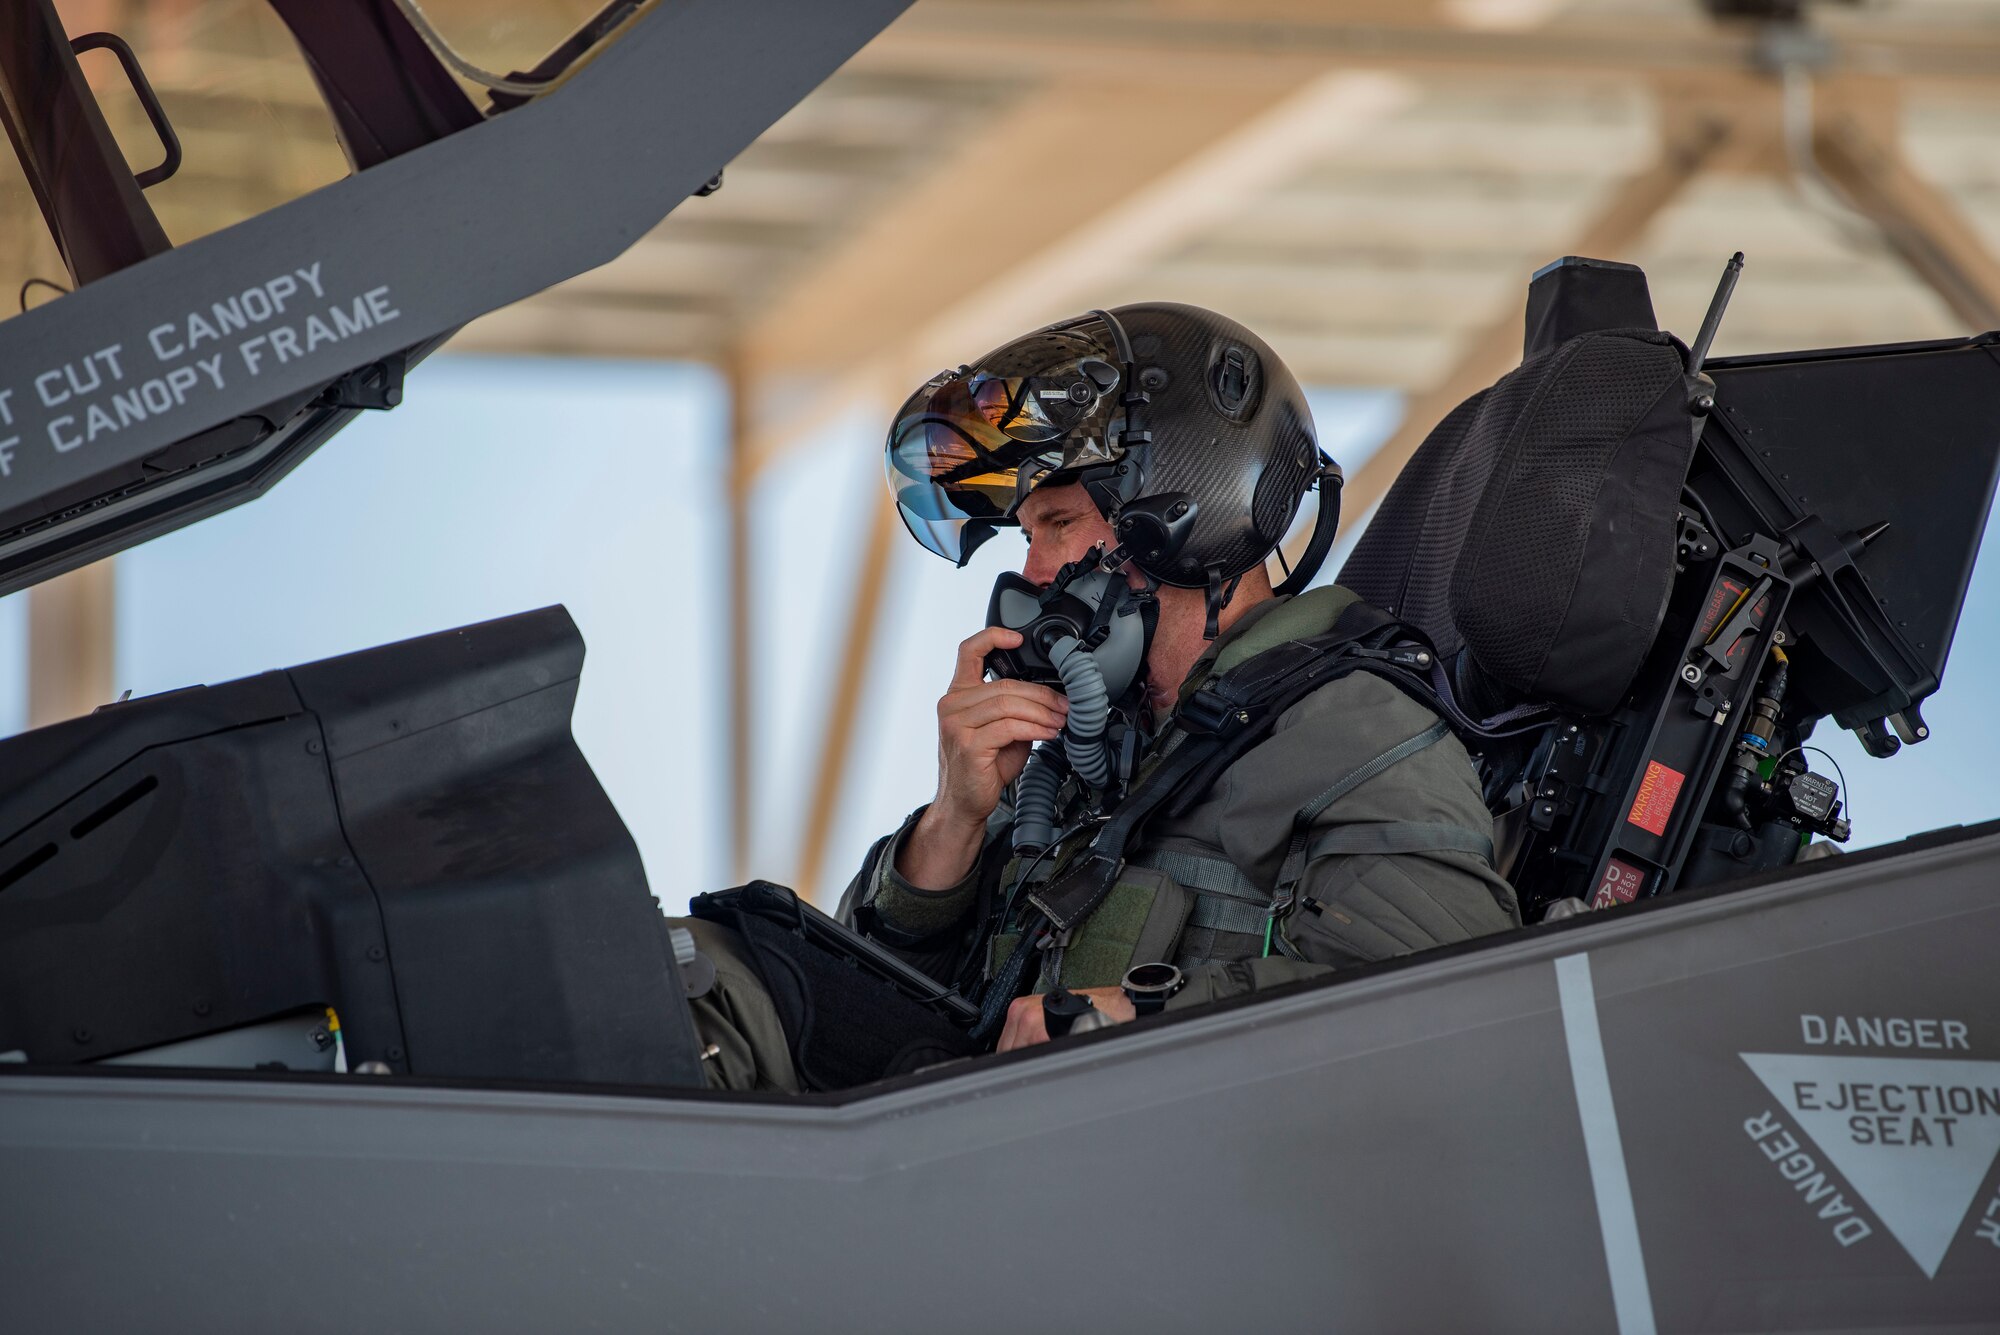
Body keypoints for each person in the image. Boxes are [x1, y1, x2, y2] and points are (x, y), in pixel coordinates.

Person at [685, 302, 1519, 1091]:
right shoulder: (1088, 762)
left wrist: (1135, 1025)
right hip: (979, 1160)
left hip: (1171, 1192)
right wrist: (956, 820)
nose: (1032, 573)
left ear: (1181, 515)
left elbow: (1454, 1011)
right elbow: (880, 1004)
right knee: (707, 977)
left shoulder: (1353, 732)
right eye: (1025, 535)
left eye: (1056, 525)